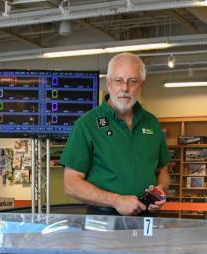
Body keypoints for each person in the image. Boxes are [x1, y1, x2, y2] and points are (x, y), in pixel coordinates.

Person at [59, 52, 171, 217]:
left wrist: (160, 190)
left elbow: (163, 171)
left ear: (141, 85)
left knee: (148, 244)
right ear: (109, 83)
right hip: (103, 219)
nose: (125, 88)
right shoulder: (87, 125)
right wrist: (116, 200)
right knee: (104, 245)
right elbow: (71, 184)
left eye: (132, 81)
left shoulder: (151, 123)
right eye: (119, 80)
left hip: (148, 217)